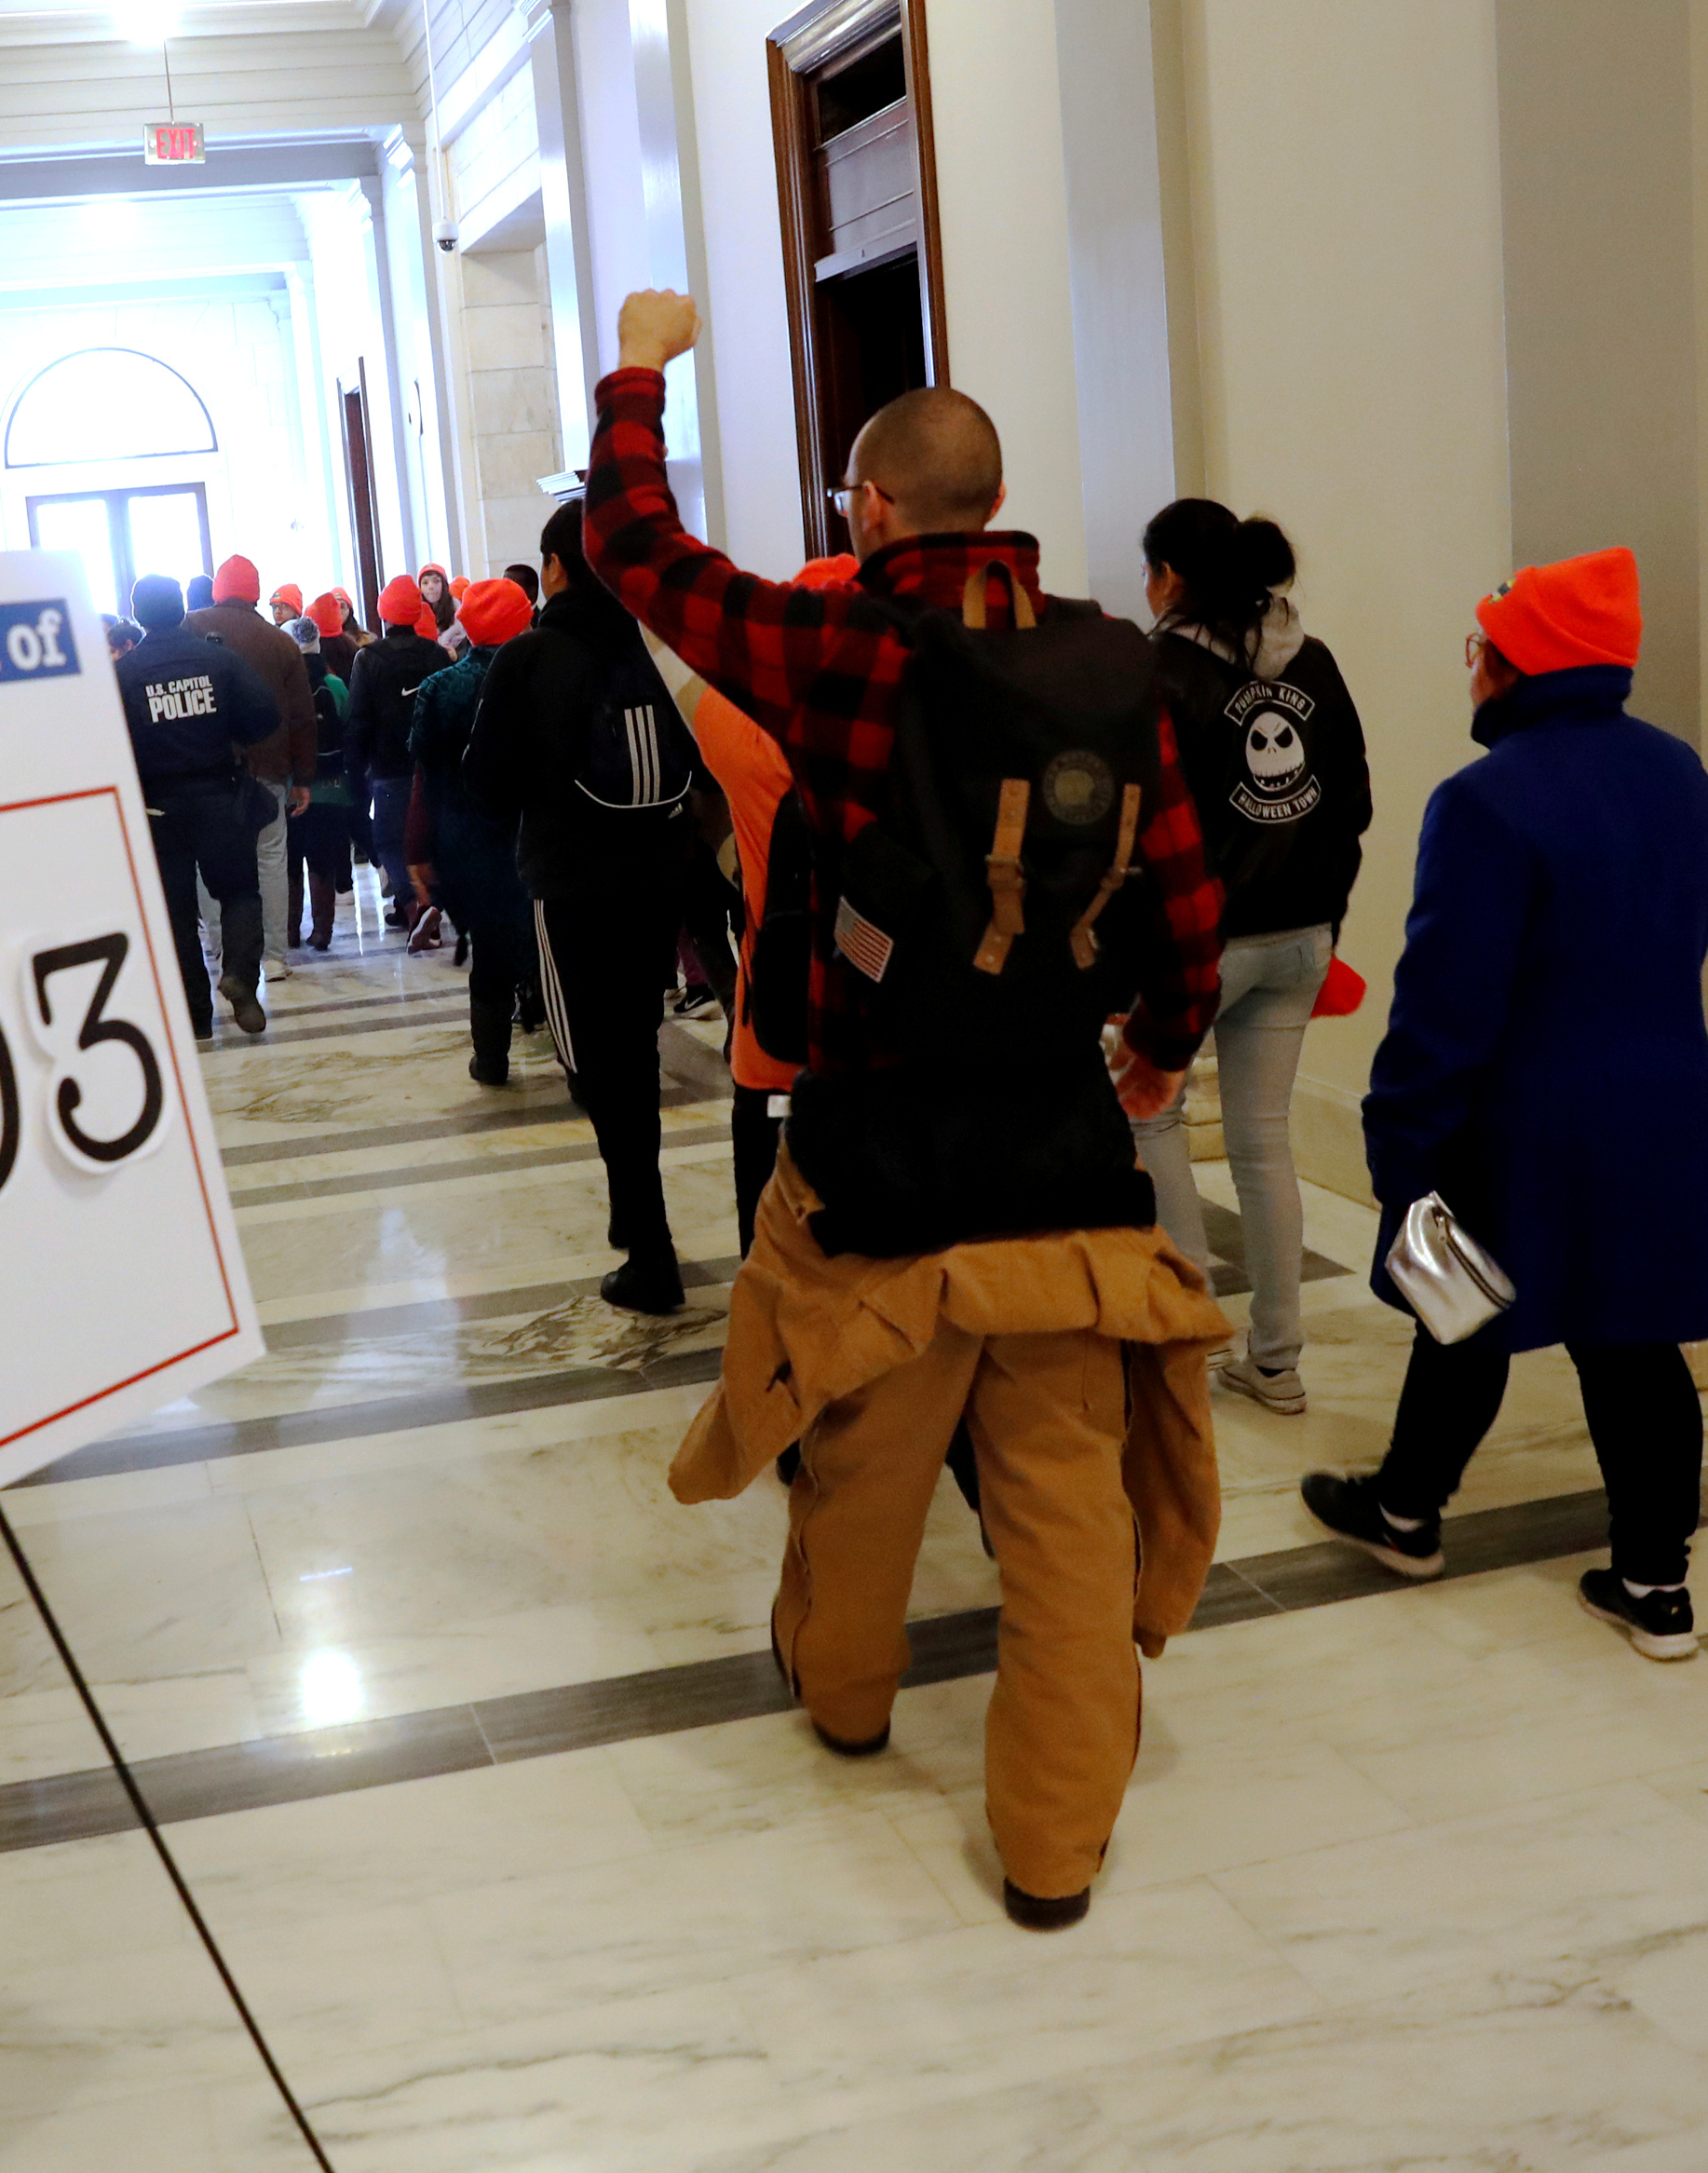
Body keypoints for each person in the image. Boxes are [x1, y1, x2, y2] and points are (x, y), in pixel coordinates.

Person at [595, 290, 1229, 1932]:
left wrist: (642, 373)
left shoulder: (845, 645)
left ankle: (853, 1701)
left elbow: (642, 556)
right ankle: (1053, 1849)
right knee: (1065, 1510)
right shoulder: (1116, 662)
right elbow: (1185, 892)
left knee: (866, 1462)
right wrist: (1160, 1042)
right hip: (1063, 1155)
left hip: (880, 1149)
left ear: (873, 510)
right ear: (993, 501)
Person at [1302, 548, 1708, 1662]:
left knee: (1461, 1310)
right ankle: (1654, 1583)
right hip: (1661, 1103)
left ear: (1512, 664)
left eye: (1477, 649)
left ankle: (1405, 1514)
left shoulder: (1485, 801)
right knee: (1633, 1342)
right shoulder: (1682, 774)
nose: (1470, 669)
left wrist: (1400, 1136)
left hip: (1519, 1118)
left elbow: (1447, 996)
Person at [1131, 502, 1373, 1414]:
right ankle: (1274, 1362)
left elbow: (1140, 821)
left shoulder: (1160, 670)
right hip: (1300, 937)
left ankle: (1186, 1339)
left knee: (1151, 1121)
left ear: (1166, 578)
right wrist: (1327, 920)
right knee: (1261, 1144)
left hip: (1198, 944)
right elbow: (1348, 796)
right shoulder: (1310, 659)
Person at [465, 501, 699, 1313]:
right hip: (659, 874)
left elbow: (489, 788)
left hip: (571, 882)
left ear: (555, 567)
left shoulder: (530, 655)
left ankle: (649, 1244)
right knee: (636, 1046)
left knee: (598, 1064)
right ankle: (641, 1223)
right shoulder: (655, 646)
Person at [644, 551, 859, 1253]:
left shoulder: (747, 731)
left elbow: (665, 644)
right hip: (894, 1038)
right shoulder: (921, 727)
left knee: (773, 1249)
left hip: (777, 1036)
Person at [114, 572, 280, 1039]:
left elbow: (106, 741)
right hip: (219, 795)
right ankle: (241, 977)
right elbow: (265, 715)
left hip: (157, 806)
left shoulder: (125, 673)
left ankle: (194, 1017)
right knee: (239, 891)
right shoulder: (217, 659)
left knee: (175, 912)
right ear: (182, 611)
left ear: (139, 616)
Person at [404, 577, 537, 1082]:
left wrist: (418, 847)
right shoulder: (547, 676)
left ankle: (492, 1059)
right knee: (551, 939)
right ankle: (569, 1052)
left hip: (467, 837)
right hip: (537, 830)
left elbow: (425, 776)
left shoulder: (440, 687)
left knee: (491, 945)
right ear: (522, 620)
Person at [189, 555, 320, 977]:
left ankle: (222, 949)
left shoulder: (189, 629)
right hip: (267, 768)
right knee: (271, 859)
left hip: (207, 770)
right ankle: (276, 956)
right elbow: (302, 716)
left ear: (217, 590)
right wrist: (303, 778)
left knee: (206, 859)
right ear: (257, 594)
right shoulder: (281, 642)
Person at [349, 576, 447, 930]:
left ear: (384, 614)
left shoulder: (368, 658)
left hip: (387, 764)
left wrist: (354, 768)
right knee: (427, 835)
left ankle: (411, 902)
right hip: (431, 763)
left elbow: (359, 718)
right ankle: (429, 901)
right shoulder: (436, 654)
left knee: (389, 839)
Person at [287, 617, 356, 949]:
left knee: (289, 860)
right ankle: (322, 930)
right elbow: (348, 728)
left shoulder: (282, 686)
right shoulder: (335, 685)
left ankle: (289, 930)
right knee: (322, 859)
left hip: (291, 788)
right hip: (331, 787)